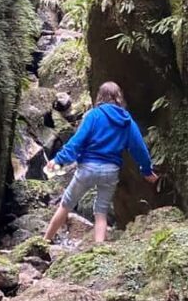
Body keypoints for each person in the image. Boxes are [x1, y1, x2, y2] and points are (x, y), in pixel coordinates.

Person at [43, 81, 158, 243]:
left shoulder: (94, 115)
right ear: (119, 97)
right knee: (101, 212)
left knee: (66, 204)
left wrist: (59, 160)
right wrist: (146, 170)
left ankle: (44, 242)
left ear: (100, 96)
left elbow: (77, 142)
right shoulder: (127, 121)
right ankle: (99, 248)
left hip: (87, 168)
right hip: (110, 171)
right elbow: (139, 148)